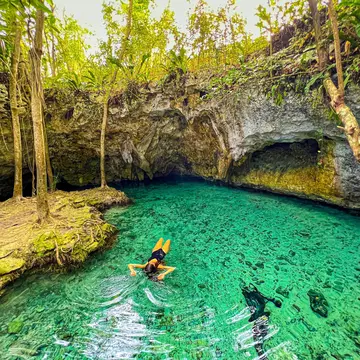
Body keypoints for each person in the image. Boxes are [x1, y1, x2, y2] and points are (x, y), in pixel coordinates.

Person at [242, 284, 282, 359]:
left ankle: (262, 355)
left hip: (259, 320)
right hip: (260, 319)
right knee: (259, 343)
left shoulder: (259, 304)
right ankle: (262, 355)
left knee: (258, 343)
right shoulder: (261, 303)